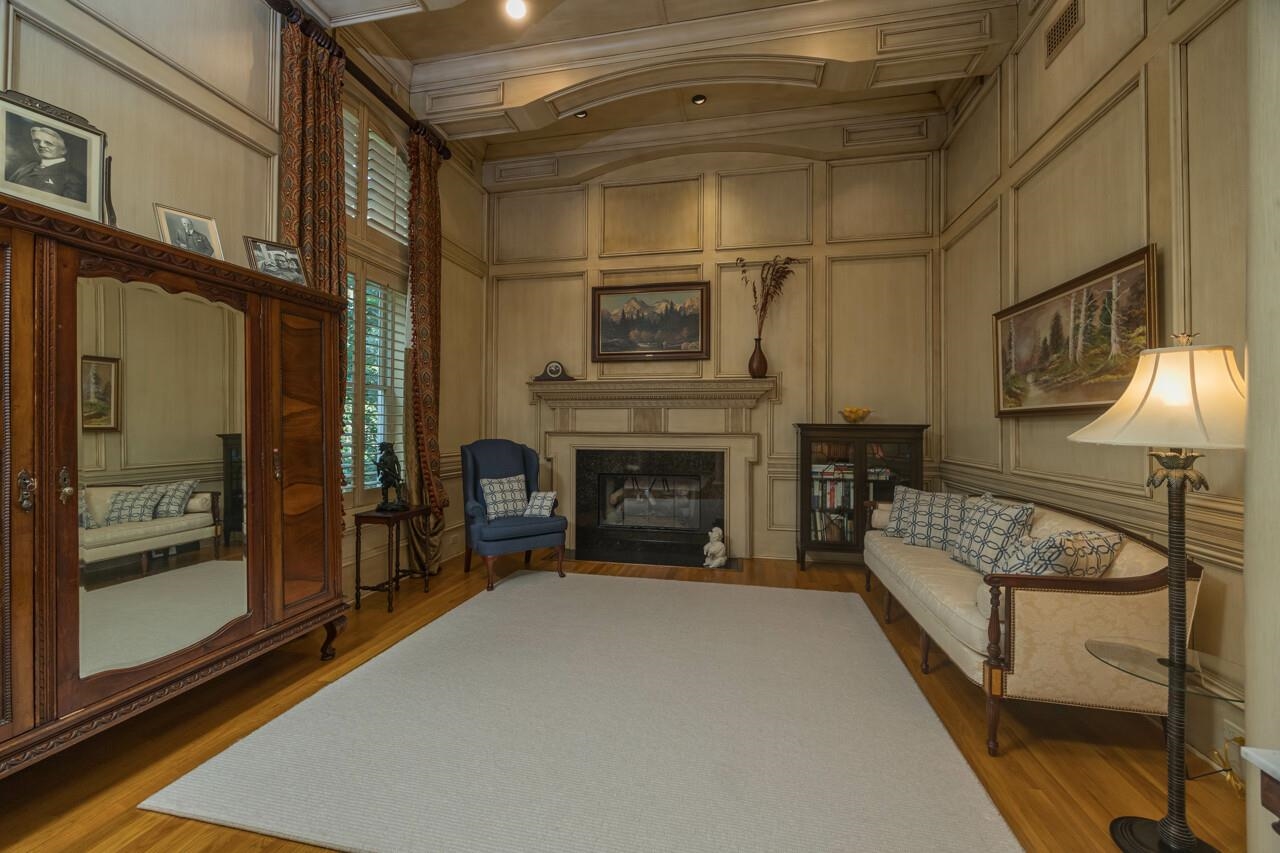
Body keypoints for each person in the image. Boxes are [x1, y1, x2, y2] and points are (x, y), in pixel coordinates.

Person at [7, 125, 86, 202]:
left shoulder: (73, 178)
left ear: (63, 149)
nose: (41, 145)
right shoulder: (27, 166)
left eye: (48, 143)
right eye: (37, 141)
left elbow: (69, 209)